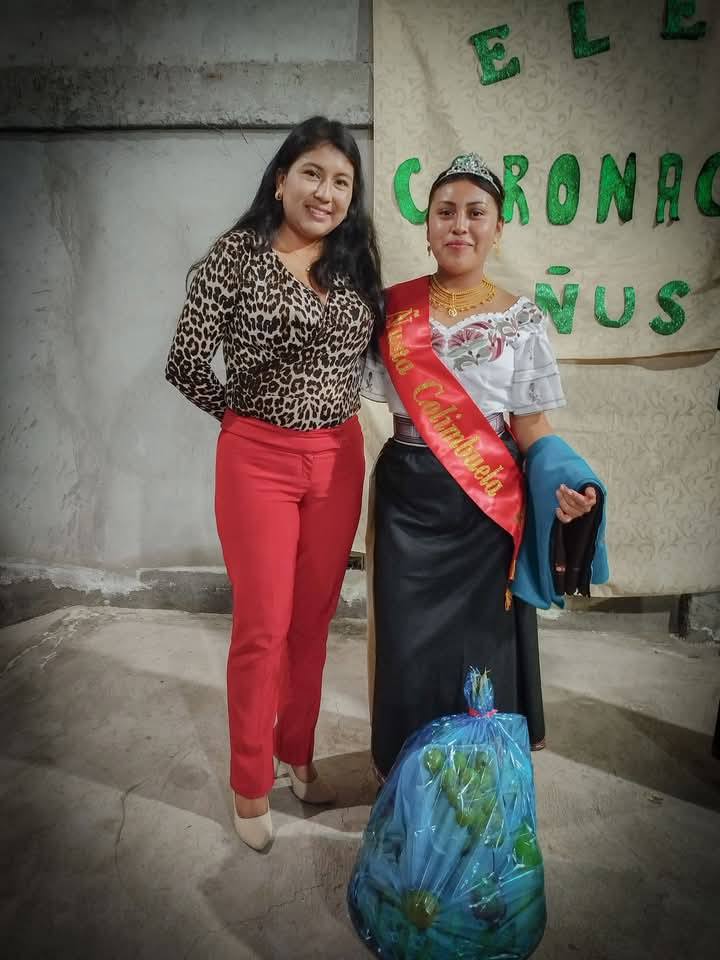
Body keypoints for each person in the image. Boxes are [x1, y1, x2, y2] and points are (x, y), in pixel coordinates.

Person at [165, 116, 383, 850]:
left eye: (342, 182)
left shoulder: (354, 260)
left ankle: (299, 755)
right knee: (263, 626)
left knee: (314, 623)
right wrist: (243, 419)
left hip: (339, 459)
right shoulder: (236, 256)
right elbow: (186, 361)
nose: (326, 193)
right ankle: (250, 781)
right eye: (313, 174)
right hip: (257, 461)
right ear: (283, 178)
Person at [362, 153, 596, 780]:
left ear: (498, 227)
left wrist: (568, 484)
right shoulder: (390, 312)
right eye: (445, 213)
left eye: (475, 213)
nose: (459, 225)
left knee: (482, 644)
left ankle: (479, 777)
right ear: (428, 226)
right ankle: (409, 777)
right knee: (407, 642)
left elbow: (531, 427)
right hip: (409, 498)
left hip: (487, 504)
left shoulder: (521, 320)